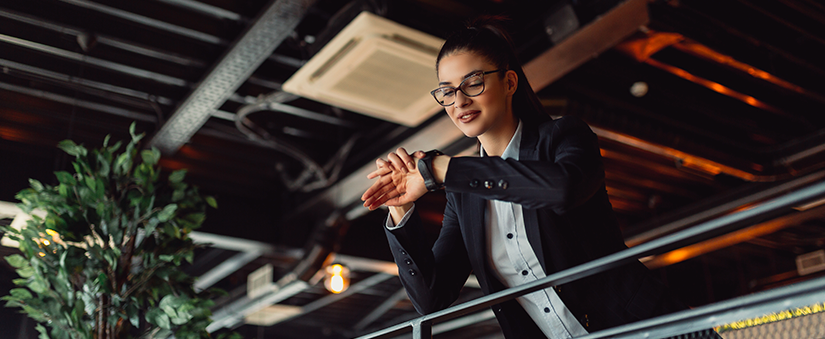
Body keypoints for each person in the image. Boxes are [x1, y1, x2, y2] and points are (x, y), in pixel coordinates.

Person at [361, 17, 711, 339]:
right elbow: (431, 299)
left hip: (650, 330)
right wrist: (401, 212)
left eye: (473, 83)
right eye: (448, 91)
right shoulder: (463, 196)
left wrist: (441, 170)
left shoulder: (563, 136)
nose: (459, 101)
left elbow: (563, 188)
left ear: (509, 81)